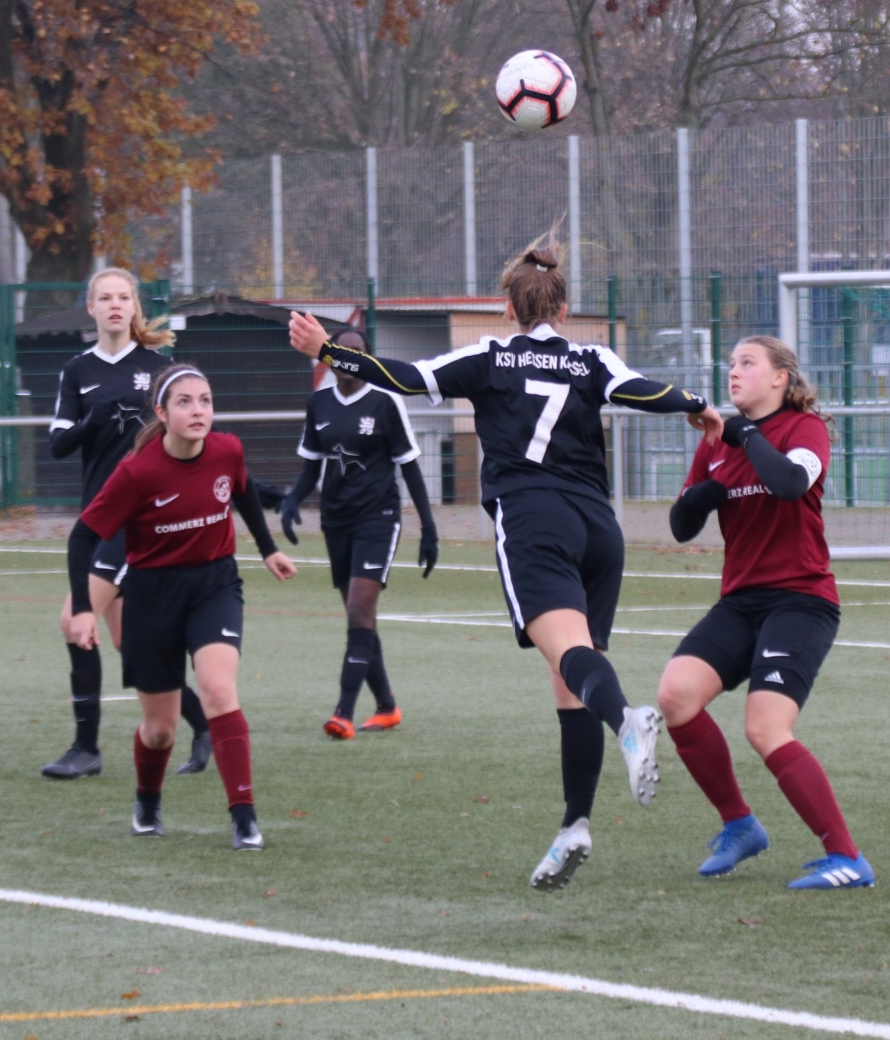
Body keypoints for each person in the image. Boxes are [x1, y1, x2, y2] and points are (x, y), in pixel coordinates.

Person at [286, 238, 721, 890]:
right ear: (564, 309)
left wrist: (329, 351)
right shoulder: (590, 357)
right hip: (599, 529)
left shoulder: (490, 355)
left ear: (508, 308)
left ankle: (628, 723)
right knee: (572, 673)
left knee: (575, 664)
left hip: (534, 520)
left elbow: (405, 377)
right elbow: (641, 390)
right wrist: (694, 402)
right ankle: (574, 825)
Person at [657, 337, 871, 890]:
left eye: (747, 363)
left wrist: (745, 434)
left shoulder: (804, 428)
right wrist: (700, 495)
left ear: (780, 378)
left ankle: (847, 857)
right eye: (731, 364)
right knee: (676, 696)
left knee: (765, 727)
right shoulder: (716, 443)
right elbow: (681, 527)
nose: (733, 372)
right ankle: (740, 825)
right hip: (740, 601)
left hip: (801, 599)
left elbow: (790, 483)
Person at [66, 366, 297, 851]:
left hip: (215, 585)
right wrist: (84, 608)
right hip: (152, 595)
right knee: (159, 730)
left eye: (205, 401)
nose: (198, 411)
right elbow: (82, 536)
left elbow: (243, 491)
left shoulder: (228, 449)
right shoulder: (137, 471)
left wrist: (268, 549)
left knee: (218, 689)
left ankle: (244, 816)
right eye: (185, 402)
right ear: (162, 412)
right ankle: (147, 802)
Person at [41, 268, 213, 780]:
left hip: (142, 519)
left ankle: (86, 748)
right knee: (131, 643)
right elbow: (58, 445)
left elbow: (192, 437)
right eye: (105, 298)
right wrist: (90, 423)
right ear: (91, 308)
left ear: (135, 306)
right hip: (100, 518)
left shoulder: (160, 369)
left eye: (123, 297)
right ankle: (205, 726)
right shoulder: (77, 370)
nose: (115, 305)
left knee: (74, 620)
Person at [277, 326, 440, 740]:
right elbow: (312, 466)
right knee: (360, 619)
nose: (348, 357)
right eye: (341, 349)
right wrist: (292, 500)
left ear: (367, 358)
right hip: (336, 520)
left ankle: (343, 712)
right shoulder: (318, 403)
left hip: (378, 517)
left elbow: (409, 466)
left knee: (358, 610)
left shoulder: (385, 401)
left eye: (357, 350)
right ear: (328, 355)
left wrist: (429, 528)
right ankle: (386, 706)